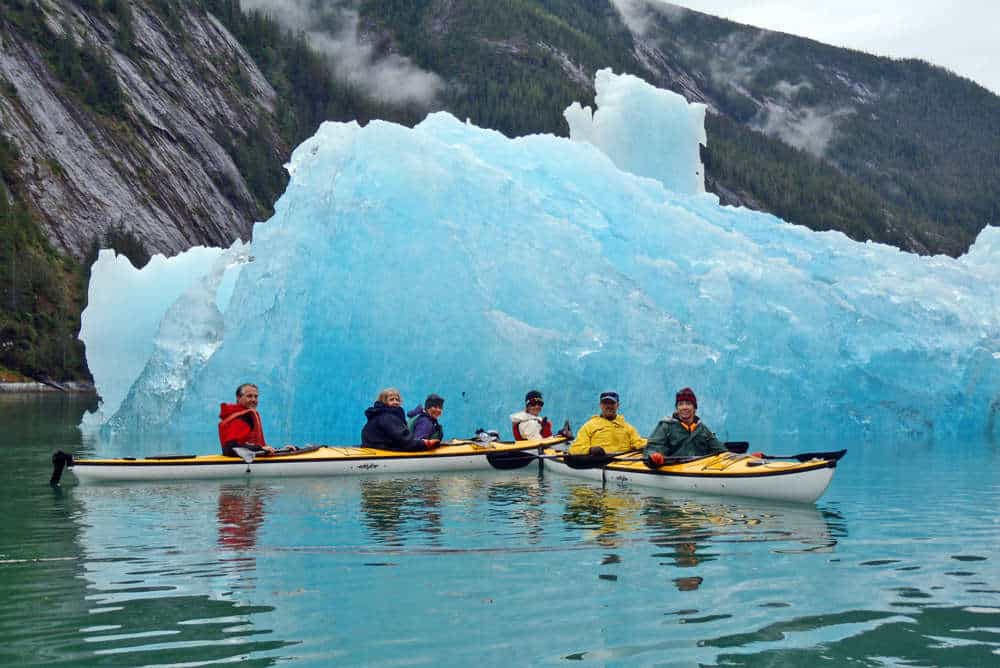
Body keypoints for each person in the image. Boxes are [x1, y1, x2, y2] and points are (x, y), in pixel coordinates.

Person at [643, 387, 727, 467]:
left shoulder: (702, 428)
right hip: (675, 472)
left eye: (688, 404)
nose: (684, 407)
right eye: (680, 404)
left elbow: (720, 450)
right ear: (677, 408)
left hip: (699, 470)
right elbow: (652, 448)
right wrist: (654, 457)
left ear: (694, 408)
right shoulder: (666, 426)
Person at [568, 391, 646, 456]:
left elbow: (639, 443)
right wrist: (590, 450)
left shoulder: (628, 428)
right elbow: (575, 449)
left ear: (617, 405)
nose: (608, 406)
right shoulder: (589, 426)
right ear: (600, 405)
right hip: (600, 463)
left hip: (625, 463)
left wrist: (653, 446)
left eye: (612, 403)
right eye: (605, 403)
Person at [362, 388, 441, 451]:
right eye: (391, 399)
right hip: (381, 451)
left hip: (374, 449)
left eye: (397, 400)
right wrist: (424, 443)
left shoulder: (379, 414)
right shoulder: (387, 417)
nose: (395, 402)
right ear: (384, 401)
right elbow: (404, 440)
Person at [219, 383, 278, 456]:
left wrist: (278, 450)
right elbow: (231, 448)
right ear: (238, 397)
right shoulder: (243, 417)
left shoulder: (234, 413)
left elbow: (246, 446)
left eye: (256, 396)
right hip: (242, 464)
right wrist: (260, 449)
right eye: (249, 396)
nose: (253, 399)